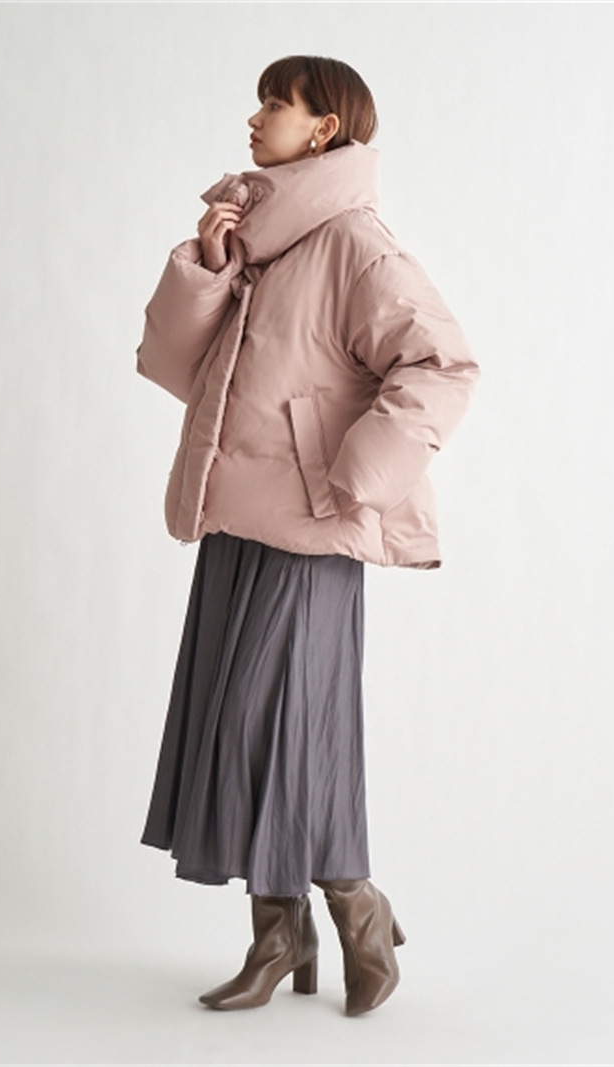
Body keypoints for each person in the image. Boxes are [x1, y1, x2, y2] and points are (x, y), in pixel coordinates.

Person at [135, 54, 480, 1016]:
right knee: (236, 726)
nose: (254, 118)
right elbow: (179, 368)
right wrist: (211, 267)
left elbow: (443, 363)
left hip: (311, 528)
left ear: (323, 128)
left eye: (275, 104)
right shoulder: (263, 238)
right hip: (237, 514)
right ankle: (279, 935)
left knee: (280, 727)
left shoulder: (355, 242)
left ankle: (358, 908)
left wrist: (355, 478)